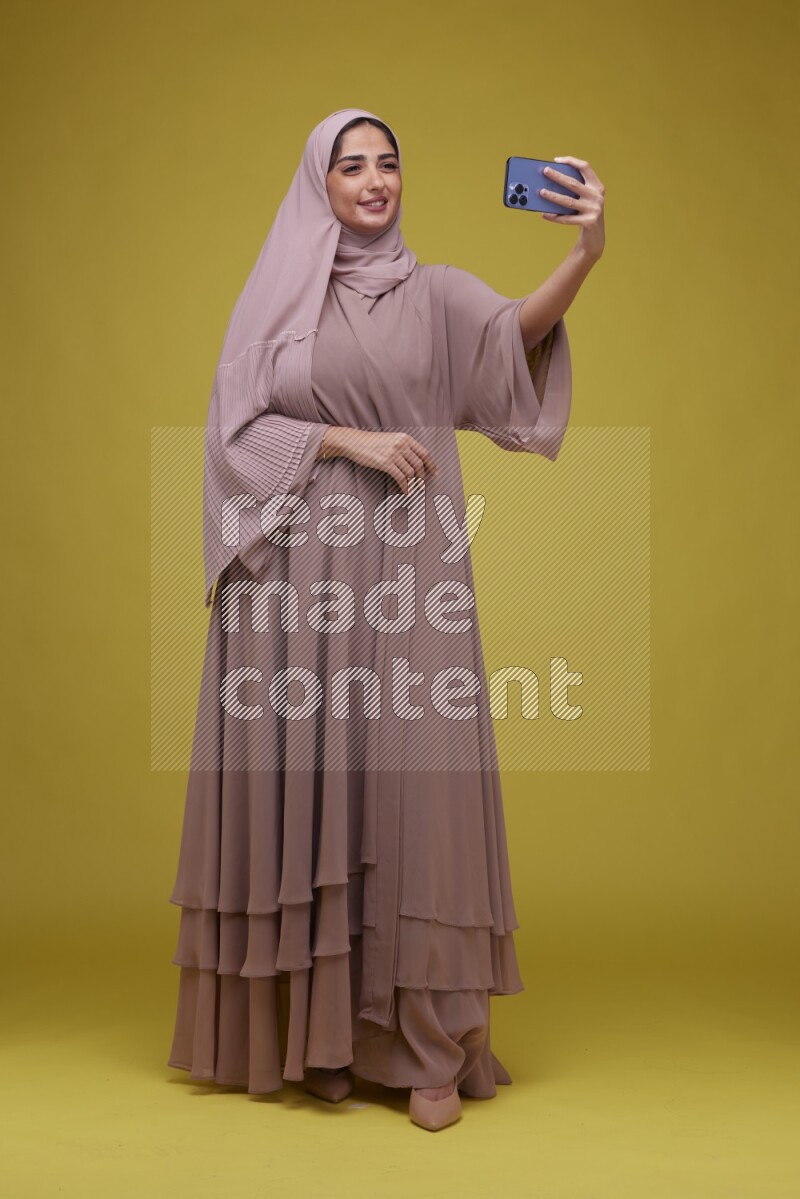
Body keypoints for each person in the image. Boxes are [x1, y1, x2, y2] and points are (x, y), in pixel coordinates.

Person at [166, 107, 605, 1131]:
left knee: (420, 790)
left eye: (387, 164)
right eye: (350, 165)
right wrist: (347, 441)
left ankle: (425, 1045)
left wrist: (584, 252)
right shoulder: (283, 301)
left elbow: (511, 343)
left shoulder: (435, 293)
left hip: (411, 569)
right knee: (318, 781)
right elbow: (237, 426)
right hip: (297, 584)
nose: (372, 181)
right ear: (317, 183)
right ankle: (321, 1034)